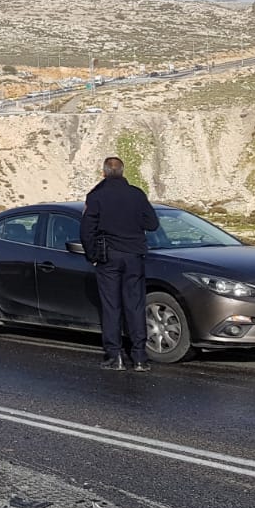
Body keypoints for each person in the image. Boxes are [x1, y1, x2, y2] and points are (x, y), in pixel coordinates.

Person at [80, 156, 160, 372]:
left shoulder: (96, 196)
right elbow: (152, 224)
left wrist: (92, 255)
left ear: (104, 172)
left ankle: (115, 356)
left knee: (111, 306)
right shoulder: (136, 194)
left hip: (109, 257)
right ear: (123, 172)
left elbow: (86, 230)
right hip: (134, 257)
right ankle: (140, 357)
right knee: (135, 305)